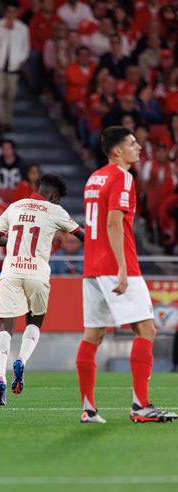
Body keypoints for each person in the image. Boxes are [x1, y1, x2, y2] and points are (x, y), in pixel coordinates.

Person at [76, 126, 177, 424]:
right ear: (117, 151)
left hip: (92, 267)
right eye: (133, 144)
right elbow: (113, 223)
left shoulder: (94, 178)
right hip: (117, 266)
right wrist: (122, 266)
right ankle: (141, 406)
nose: (139, 148)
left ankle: (88, 409)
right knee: (146, 330)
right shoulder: (122, 177)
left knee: (93, 335)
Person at [0, 173, 83, 406]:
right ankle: (21, 360)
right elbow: (83, 236)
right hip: (37, 273)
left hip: (10, 272)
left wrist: (13, 243)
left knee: (4, 328)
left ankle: (0, 378)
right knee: (34, 321)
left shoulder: (14, 206)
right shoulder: (54, 210)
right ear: (53, 195)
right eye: (57, 198)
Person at [0, 0, 30, 129]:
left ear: (18, 12)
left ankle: (7, 121)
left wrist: (19, 61)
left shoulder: (23, 28)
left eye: (14, 12)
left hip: (13, 65)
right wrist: (6, 29)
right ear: (5, 12)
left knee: (10, 94)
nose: (11, 14)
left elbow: (25, 47)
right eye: (9, 11)